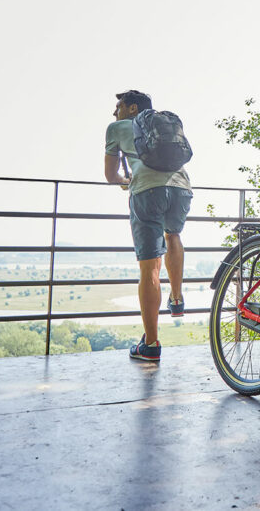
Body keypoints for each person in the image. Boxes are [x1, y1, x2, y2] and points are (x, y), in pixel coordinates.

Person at [104, 89, 194, 361]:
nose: (114, 111)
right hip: (181, 188)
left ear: (132, 108)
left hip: (147, 191)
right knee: (174, 235)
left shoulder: (116, 128)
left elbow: (110, 175)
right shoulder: (164, 124)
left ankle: (151, 344)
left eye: (118, 105)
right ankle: (176, 299)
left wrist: (125, 181)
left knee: (149, 266)